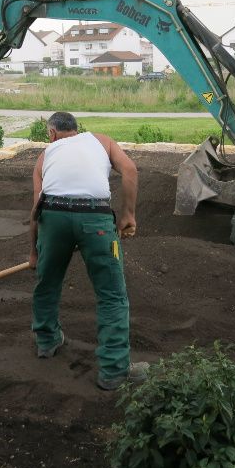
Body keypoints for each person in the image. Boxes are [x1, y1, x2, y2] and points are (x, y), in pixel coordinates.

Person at [29, 111, 148, 391]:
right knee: (112, 295)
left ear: (52, 133)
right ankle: (114, 371)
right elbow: (130, 170)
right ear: (78, 130)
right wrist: (128, 215)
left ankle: (47, 342)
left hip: (53, 216)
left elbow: (35, 209)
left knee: (47, 284)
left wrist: (34, 252)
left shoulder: (45, 155)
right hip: (96, 219)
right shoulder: (101, 141)